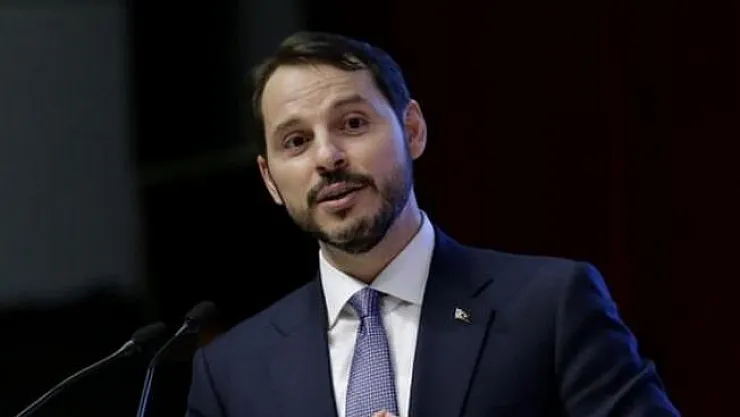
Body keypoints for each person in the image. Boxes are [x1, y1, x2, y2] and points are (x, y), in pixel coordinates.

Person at [185, 31, 679, 417]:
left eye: (353, 124)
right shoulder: (231, 371)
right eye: (296, 141)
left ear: (413, 130)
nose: (327, 157)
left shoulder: (549, 307)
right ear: (270, 179)